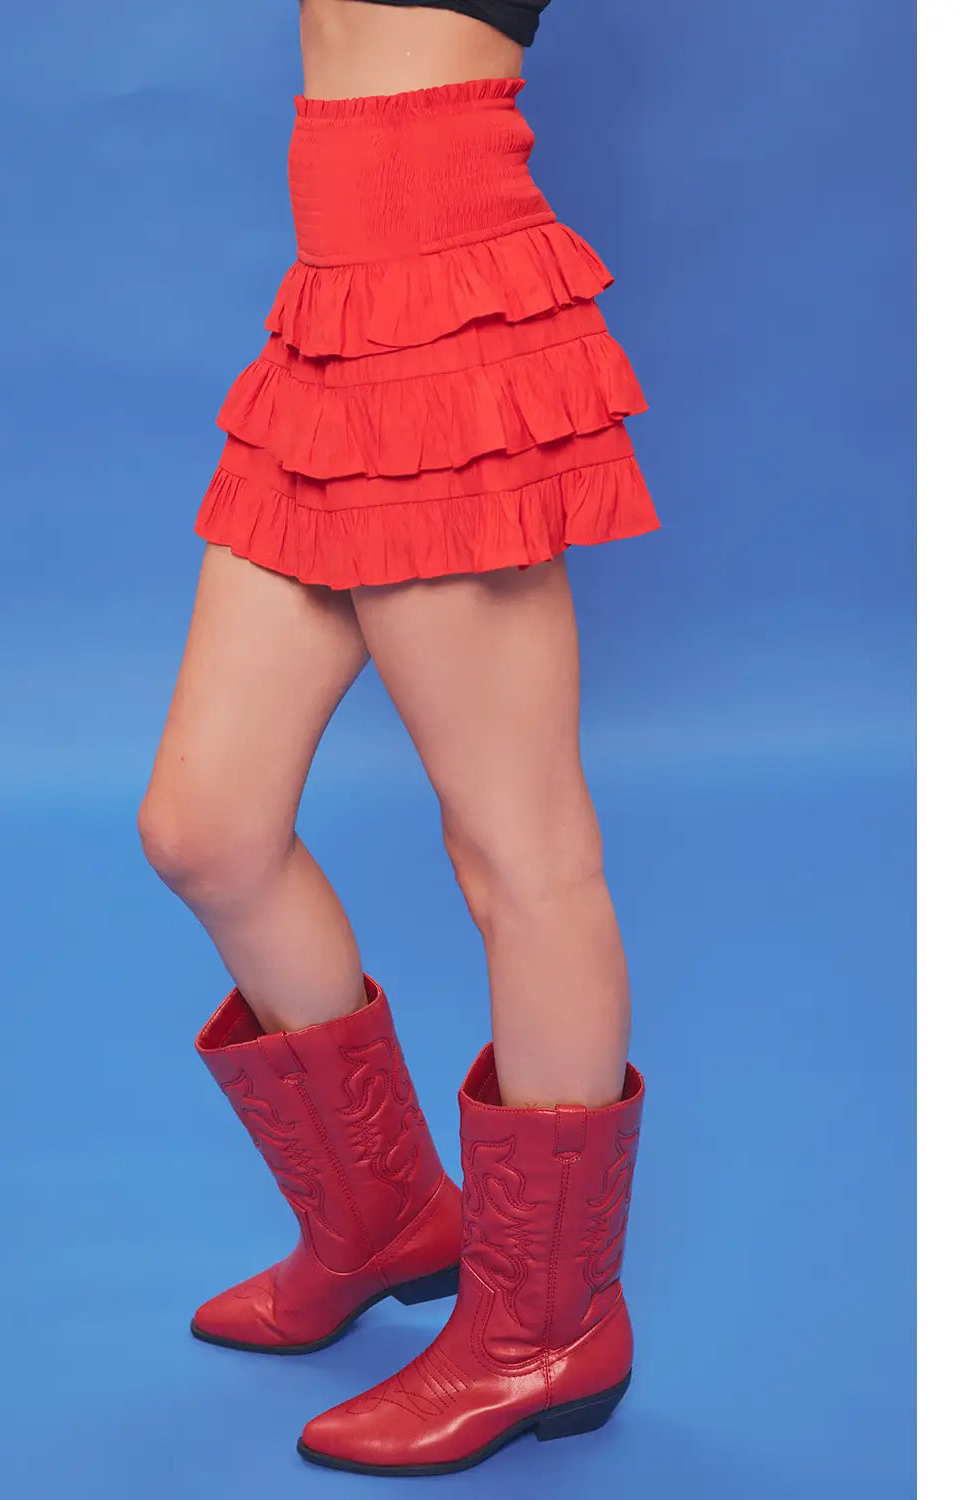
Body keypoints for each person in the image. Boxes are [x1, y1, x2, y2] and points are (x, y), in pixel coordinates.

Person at [139, 0, 655, 1476]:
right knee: (207, 830)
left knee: (519, 850)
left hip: (444, 306)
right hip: (339, 306)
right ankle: (382, 1224)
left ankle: (546, 1327)